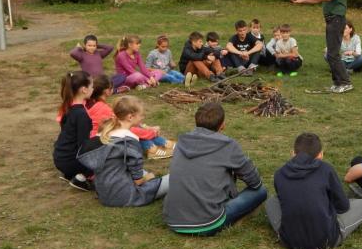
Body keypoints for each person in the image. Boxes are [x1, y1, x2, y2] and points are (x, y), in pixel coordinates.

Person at [164, 102, 267, 236]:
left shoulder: (180, 143)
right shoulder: (228, 145)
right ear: (222, 125)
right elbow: (255, 182)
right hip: (209, 222)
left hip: (173, 220)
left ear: (196, 121)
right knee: (261, 191)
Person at [265, 133, 362, 249]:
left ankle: (285, 232)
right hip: (326, 240)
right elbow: (343, 207)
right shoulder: (326, 169)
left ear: (293, 153)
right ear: (321, 155)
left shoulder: (279, 174)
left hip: (290, 241)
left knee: (271, 202)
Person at [78, 96, 169, 207]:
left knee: (144, 173)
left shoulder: (105, 132)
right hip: (125, 196)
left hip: (104, 193)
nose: (143, 118)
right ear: (130, 117)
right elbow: (138, 181)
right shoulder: (129, 140)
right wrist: (148, 178)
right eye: (141, 115)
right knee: (174, 179)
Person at [292, 0, 353, 93]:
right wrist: (303, 1)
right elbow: (320, 0)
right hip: (331, 21)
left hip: (336, 20)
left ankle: (345, 82)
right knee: (331, 54)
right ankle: (337, 83)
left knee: (333, 54)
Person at [86, 75, 175, 159]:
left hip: (99, 139)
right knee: (134, 132)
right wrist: (151, 132)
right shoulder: (103, 108)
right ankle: (154, 148)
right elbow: (125, 129)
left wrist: (146, 128)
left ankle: (162, 144)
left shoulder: (96, 104)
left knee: (135, 127)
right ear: (107, 91)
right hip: (101, 143)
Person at [53, 71, 94, 191]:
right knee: (106, 157)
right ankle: (81, 177)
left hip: (60, 158)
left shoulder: (67, 107)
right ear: (84, 90)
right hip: (71, 162)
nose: (93, 88)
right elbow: (83, 146)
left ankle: (69, 175)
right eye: (92, 86)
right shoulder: (81, 114)